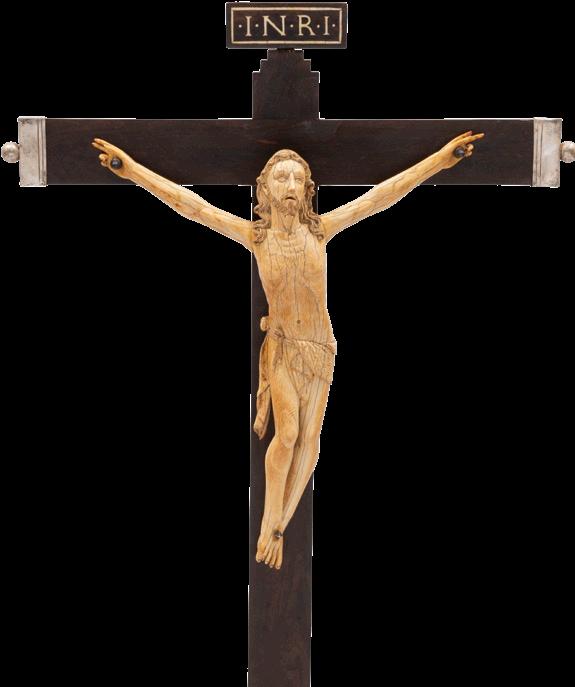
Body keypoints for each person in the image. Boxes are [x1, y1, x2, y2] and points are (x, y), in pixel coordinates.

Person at [92, 132, 484, 569]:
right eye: (281, 178)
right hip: (281, 347)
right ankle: (270, 523)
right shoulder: (256, 237)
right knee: (289, 434)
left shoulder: (321, 230)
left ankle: (281, 523)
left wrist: (439, 161)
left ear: (308, 189)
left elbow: (382, 196)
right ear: (265, 189)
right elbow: (191, 206)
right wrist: (132, 171)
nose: (291, 185)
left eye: (298, 178)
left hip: (319, 348)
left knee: (310, 441)